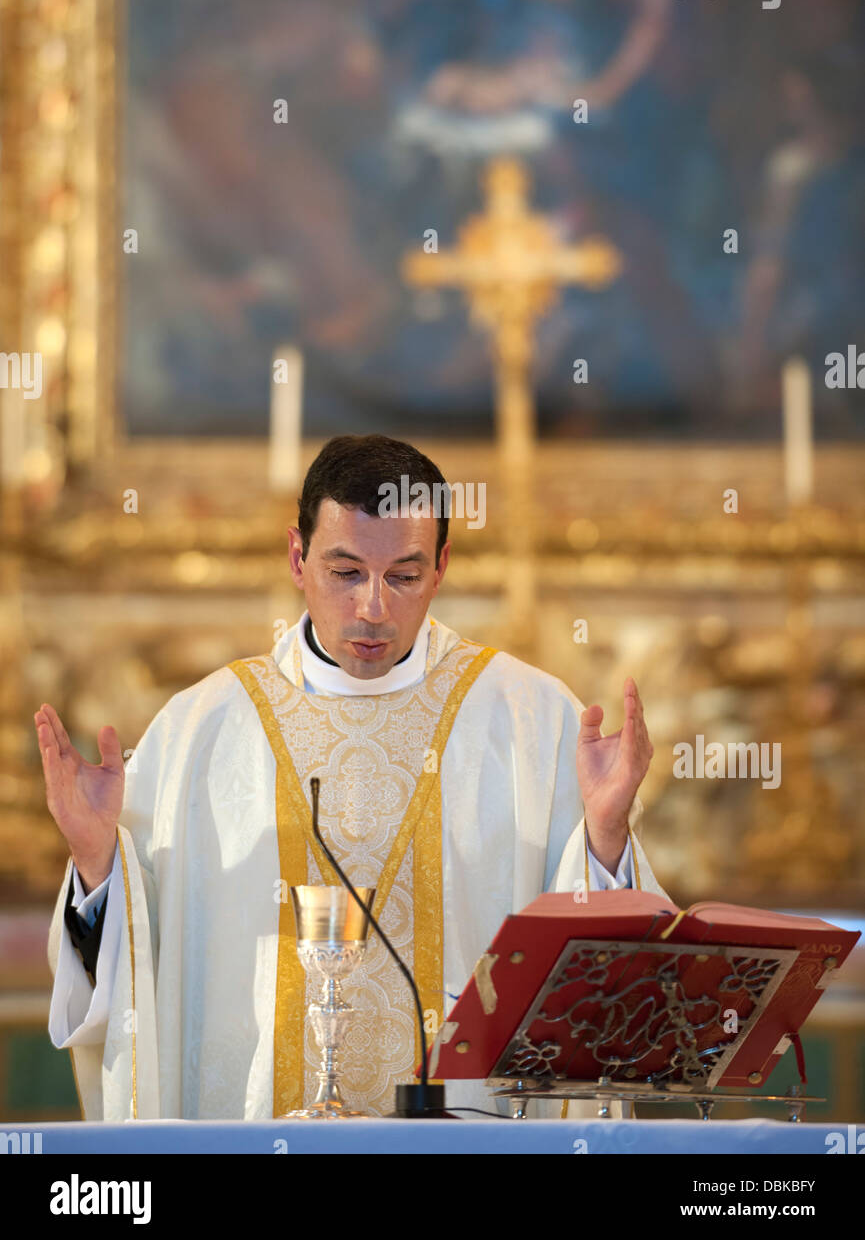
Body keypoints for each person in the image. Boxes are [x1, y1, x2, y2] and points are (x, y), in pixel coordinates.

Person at [37, 434, 671, 1121]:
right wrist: (96, 862)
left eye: (402, 575)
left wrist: (604, 838)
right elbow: (133, 979)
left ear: (441, 568)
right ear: (296, 558)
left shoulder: (529, 719)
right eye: (345, 573)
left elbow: (603, 983)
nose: (372, 609)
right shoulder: (203, 729)